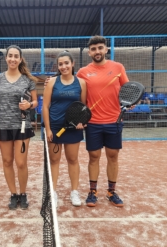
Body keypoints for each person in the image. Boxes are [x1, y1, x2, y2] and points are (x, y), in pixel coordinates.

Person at [77, 35, 129, 207]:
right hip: (92, 123)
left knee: (113, 157)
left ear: (106, 49)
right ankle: (93, 192)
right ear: (89, 52)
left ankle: (111, 192)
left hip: (114, 121)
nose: (97, 51)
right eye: (93, 49)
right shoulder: (82, 72)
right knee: (94, 157)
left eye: (100, 48)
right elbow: (73, 90)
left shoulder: (118, 67)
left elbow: (127, 91)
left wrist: (130, 104)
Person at [0, 45, 38, 210]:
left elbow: (35, 102)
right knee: (7, 161)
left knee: (21, 162)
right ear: (6, 58)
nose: (12, 59)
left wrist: (28, 105)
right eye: (9, 56)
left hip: (22, 126)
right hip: (3, 125)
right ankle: (13, 194)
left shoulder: (28, 80)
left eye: (15, 56)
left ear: (20, 59)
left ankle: (23, 193)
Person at [42, 51, 87, 208]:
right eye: (60, 64)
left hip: (73, 129)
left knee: (73, 160)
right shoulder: (52, 82)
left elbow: (83, 107)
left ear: (72, 64)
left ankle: (74, 191)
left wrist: (81, 122)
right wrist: (48, 129)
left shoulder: (81, 83)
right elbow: (45, 107)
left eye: (66, 63)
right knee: (54, 160)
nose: (64, 66)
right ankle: (52, 192)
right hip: (55, 128)